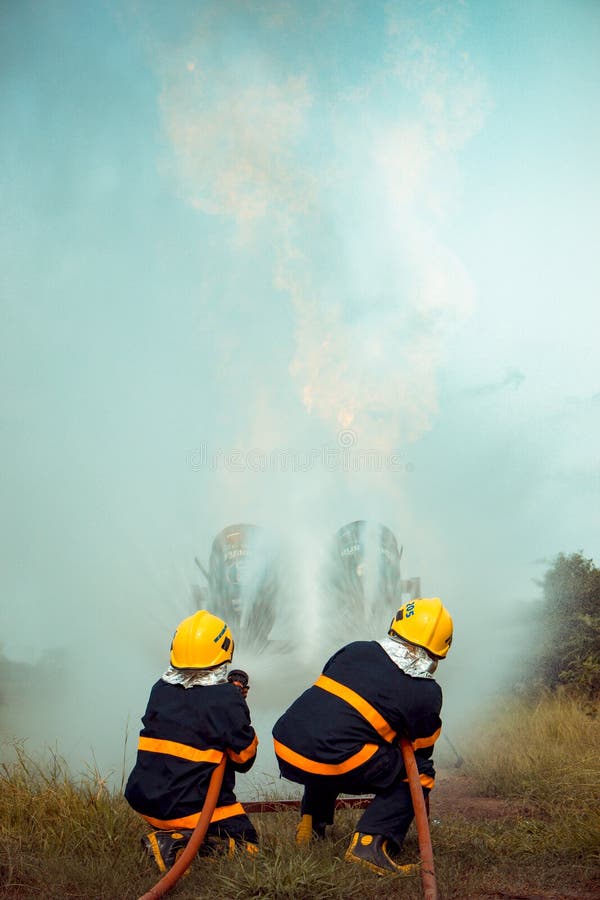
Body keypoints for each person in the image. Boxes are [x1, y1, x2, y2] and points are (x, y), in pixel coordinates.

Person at [272, 597, 453, 876]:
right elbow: (422, 750)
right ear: (441, 649)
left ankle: (310, 824)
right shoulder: (426, 691)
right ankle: (369, 846)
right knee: (420, 771)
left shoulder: (355, 649)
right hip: (330, 757)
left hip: (286, 744)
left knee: (336, 737)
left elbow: (334, 707)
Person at [125, 610, 259, 872]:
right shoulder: (225, 700)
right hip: (185, 808)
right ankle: (174, 842)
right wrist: (238, 709)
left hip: (145, 799)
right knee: (249, 845)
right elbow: (244, 759)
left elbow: (193, 710)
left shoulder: (160, 689)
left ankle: (171, 834)